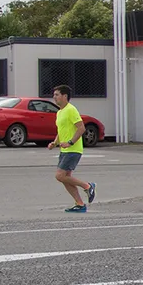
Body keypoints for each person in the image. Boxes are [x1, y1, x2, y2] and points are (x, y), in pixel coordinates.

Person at [47, 85, 96, 213]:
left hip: (73, 150)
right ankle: (80, 204)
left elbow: (81, 128)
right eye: (54, 95)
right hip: (64, 150)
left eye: (57, 94)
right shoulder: (59, 112)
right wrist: (55, 142)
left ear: (65, 96)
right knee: (65, 178)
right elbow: (61, 130)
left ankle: (88, 186)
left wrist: (70, 142)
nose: (54, 97)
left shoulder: (71, 110)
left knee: (59, 176)